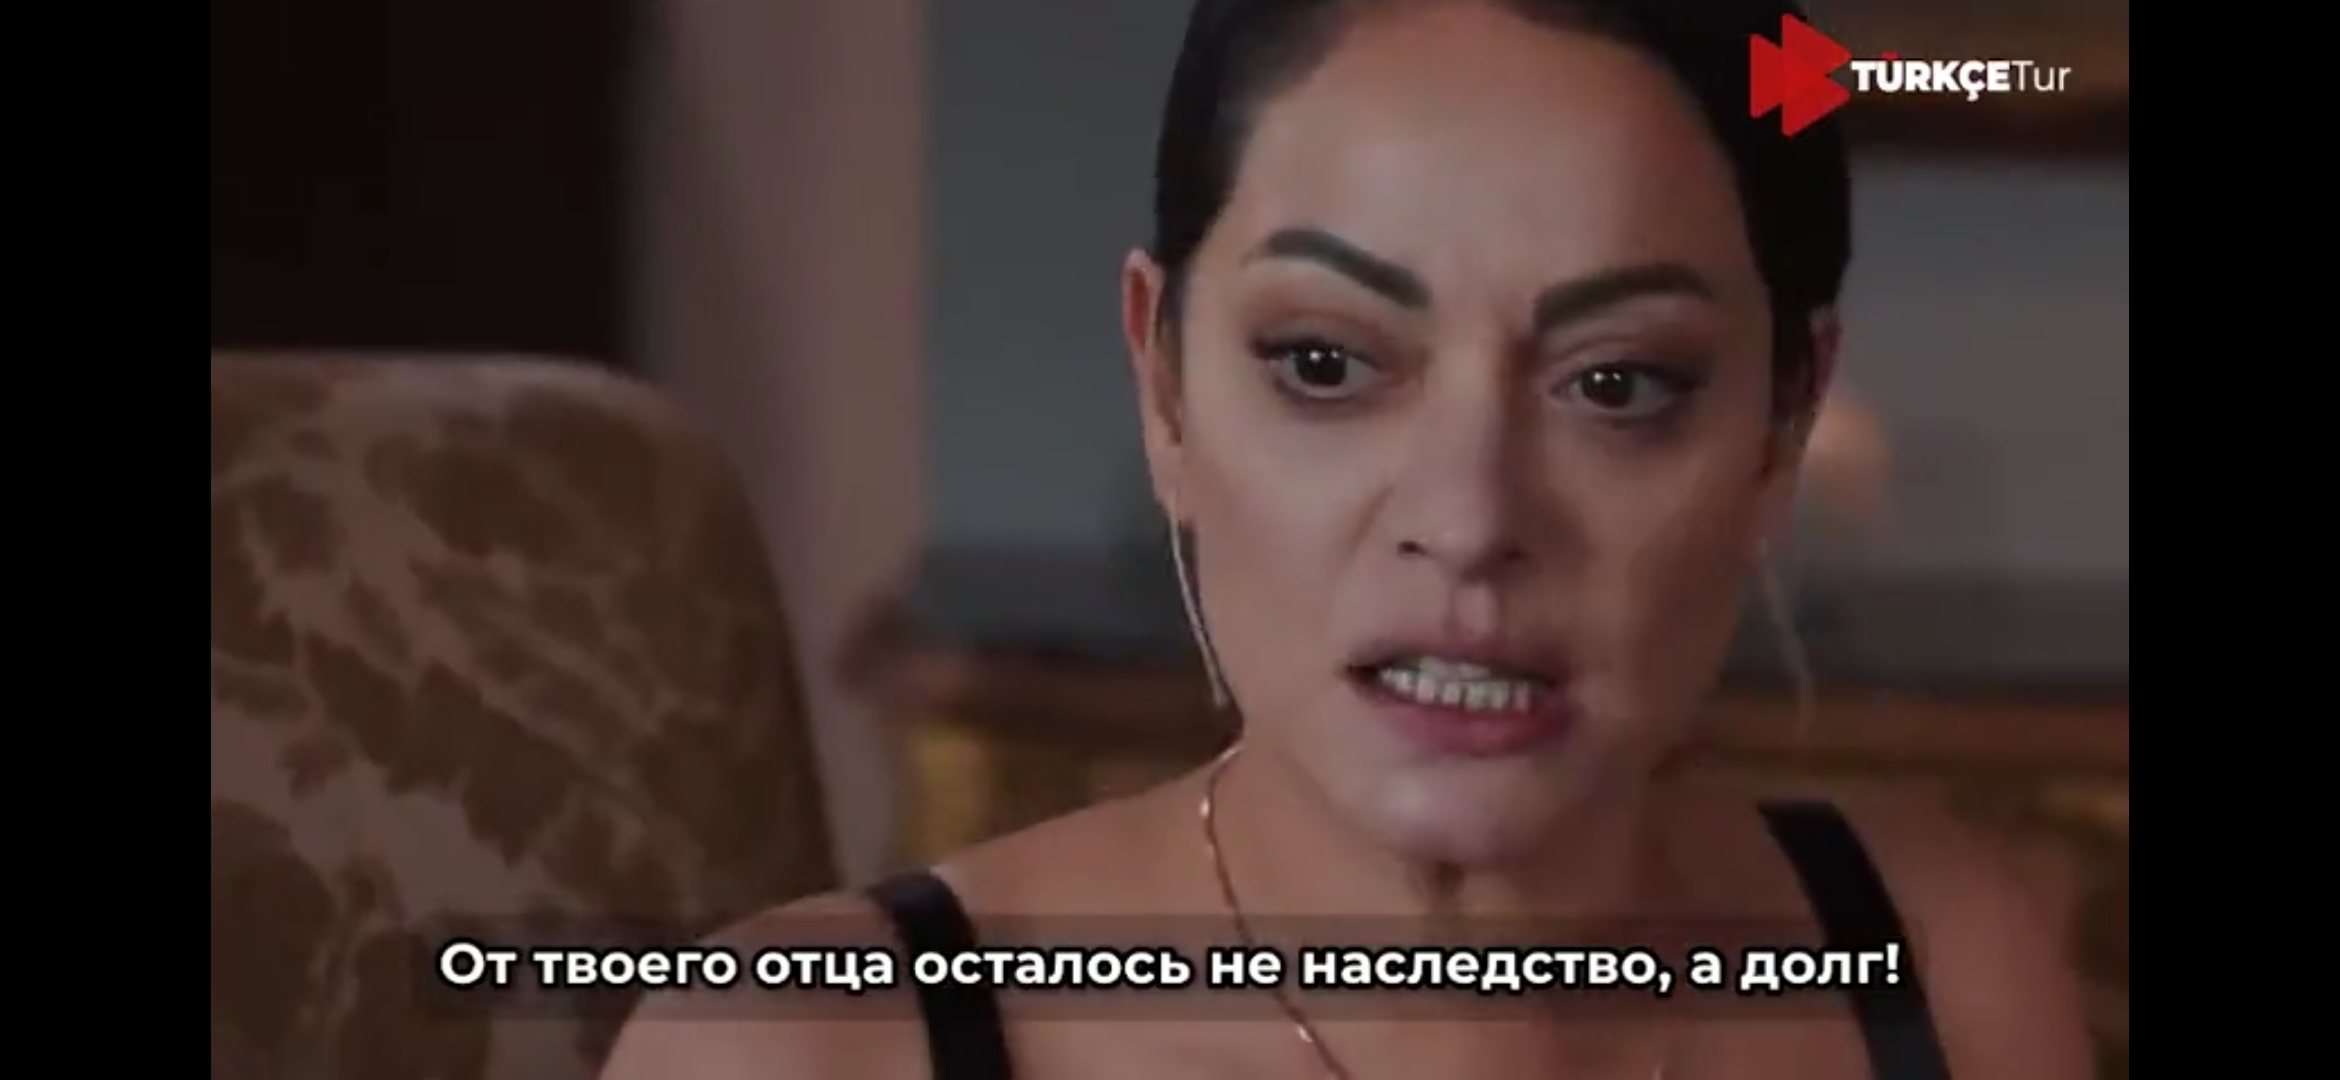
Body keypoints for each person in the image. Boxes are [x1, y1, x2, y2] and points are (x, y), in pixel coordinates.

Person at [602, 0, 2095, 1076]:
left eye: (1618, 385)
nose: (1468, 518)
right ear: (1163, 384)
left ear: (1782, 426)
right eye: (1325, 364)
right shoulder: (803, 1048)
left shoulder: (1939, 968)